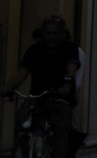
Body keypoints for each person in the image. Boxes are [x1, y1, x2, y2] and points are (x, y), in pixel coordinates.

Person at [2, 15, 80, 158]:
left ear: (62, 34)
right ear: (43, 34)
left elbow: (71, 68)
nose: (51, 36)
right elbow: (22, 72)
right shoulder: (34, 50)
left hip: (59, 97)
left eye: (55, 33)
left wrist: (67, 85)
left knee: (61, 127)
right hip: (37, 97)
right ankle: (23, 152)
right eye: (48, 33)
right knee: (21, 120)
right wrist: (9, 87)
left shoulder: (69, 48)